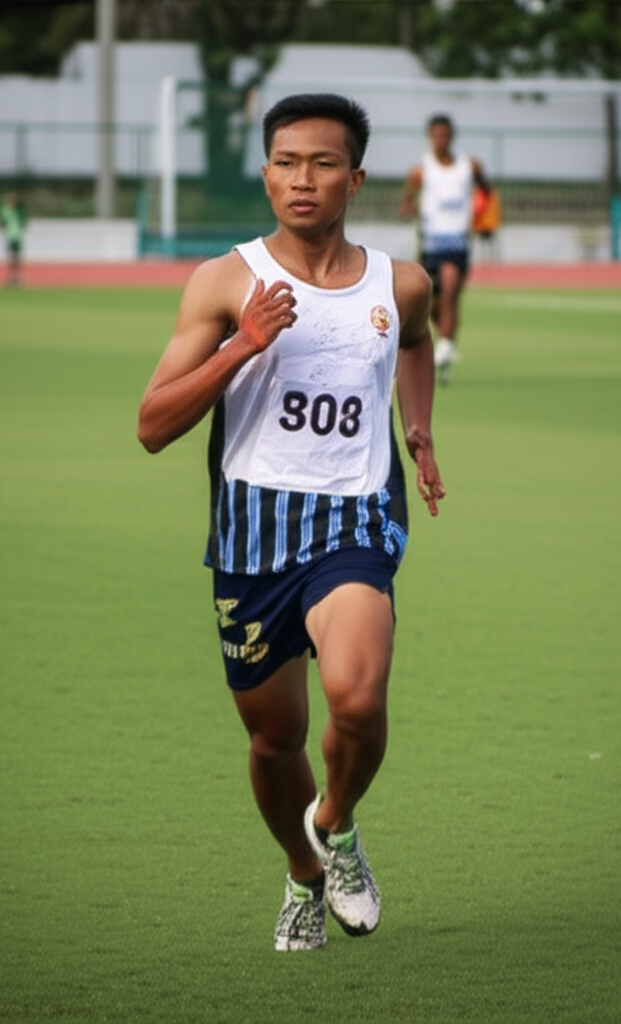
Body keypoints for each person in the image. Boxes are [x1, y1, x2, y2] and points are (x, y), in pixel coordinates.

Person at [137, 93, 445, 952]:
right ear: (267, 175)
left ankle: (335, 825)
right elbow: (153, 425)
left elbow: (415, 341)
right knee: (277, 741)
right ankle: (304, 872)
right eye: (285, 163)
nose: (302, 179)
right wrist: (242, 344)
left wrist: (418, 429)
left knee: (359, 697)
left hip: (355, 521)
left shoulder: (401, 284)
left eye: (321, 164)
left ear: (355, 179)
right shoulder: (225, 281)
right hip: (252, 537)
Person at [400, 114, 491, 382]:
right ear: (430, 137)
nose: (441, 139)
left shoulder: (469, 166)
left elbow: (486, 191)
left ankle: (447, 346)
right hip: (431, 243)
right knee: (433, 303)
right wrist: (412, 209)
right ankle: (446, 337)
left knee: (450, 289)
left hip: (457, 242)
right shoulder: (421, 171)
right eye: (437, 135)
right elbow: (406, 203)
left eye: (446, 134)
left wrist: (482, 214)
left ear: (452, 136)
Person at [0, 193, 27, 287]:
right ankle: (11, 277)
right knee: (12, 257)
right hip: (10, 237)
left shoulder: (20, 211)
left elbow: (23, 222)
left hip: (17, 237)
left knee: (16, 258)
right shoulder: (6, 211)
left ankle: (16, 277)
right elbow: (0, 220)